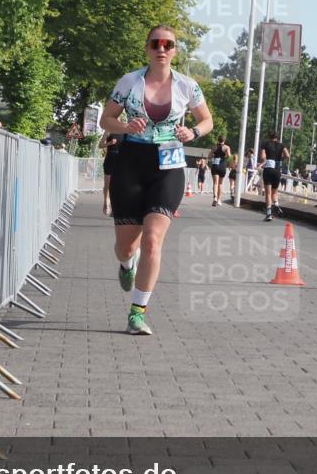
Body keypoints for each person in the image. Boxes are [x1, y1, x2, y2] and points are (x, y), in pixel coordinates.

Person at [100, 25, 214, 335]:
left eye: (168, 44)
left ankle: (137, 313)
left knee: (152, 240)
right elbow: (105, 119)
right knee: (126, 247)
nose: (161, 49)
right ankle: (126, 265)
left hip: (169, 164)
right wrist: (124, 127)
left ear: (176, 50)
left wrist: (193, 132)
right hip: (132, 163)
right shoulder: (129, 82)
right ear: (147, 48)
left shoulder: (188, 86)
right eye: (156, 43)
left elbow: (207, 120)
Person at [259, 130, 290, 221]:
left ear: (269, 137)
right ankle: (276, 204)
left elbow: (262, 157)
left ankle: (269, 213)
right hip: (277, 170)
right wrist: (280, 160)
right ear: (277, 137)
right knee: (274, 192)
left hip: (268, 169)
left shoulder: (265, 144)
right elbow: (287, 156)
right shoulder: (281, 145)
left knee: (268, 193)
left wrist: (266, 158)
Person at [98, 130, 121, 216]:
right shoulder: (108, 131)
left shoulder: (125, 130)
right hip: (110, 159)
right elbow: (100, 145)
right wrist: (110, 143)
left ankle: (115, 207)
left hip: (121, 160)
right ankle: (106, 203)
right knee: (107, 185)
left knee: (119, 185)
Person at [210, 136, 231, 206]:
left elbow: (209, 156)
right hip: (222, 166)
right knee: (220, 183)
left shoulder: (214, 147)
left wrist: (214, 155)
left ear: (218, 140)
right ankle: (219, 200)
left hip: (215, 165)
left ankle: (215, 198)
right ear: (224, 140)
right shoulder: (226, 147)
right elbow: (229, 157)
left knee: (215, 183)